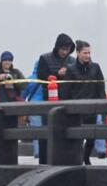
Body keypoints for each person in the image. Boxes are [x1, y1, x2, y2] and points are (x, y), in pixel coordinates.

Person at [24, 33, 75, 164]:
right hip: (48, 100)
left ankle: (64, 158)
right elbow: (41, 77)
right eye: (63, 49)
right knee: (45, 130)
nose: (65, 52)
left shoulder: (71, 61)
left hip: (66, 99)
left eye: (67, 49)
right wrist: (57, 75)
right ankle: (43, 159)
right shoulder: (45, 58)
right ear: (57, 47)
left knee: (65, 131)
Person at [64, 40, 107, 163]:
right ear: (78, 53)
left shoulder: (95, 67)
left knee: (91, 137)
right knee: (78, 137)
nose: (87, 55)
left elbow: (100, 87)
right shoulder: (71, 70)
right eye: (84, 53)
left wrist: (103, 105)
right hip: (76, 109)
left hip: (92, 108)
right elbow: (66, 91)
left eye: (89, 53)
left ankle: (86, 157)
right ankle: (77, 158)